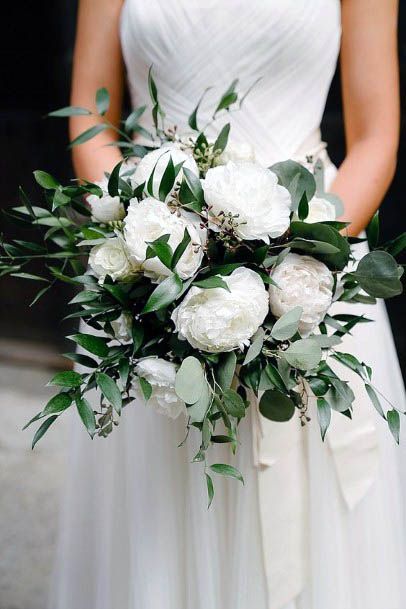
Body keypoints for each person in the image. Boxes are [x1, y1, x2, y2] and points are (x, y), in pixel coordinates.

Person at [50, 2, 406, 608]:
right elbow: (93, 116)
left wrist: (295, 258)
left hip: (312, 271)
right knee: (158, 517)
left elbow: (376, 137)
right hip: (151, 275)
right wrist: (152, 242)